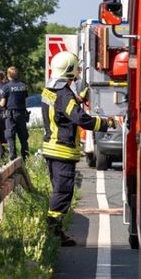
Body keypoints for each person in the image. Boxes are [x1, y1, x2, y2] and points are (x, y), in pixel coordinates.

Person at [43, 51, 116, 246]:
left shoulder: (50, 90)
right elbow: (80, 119)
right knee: (62, 192)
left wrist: (80, 97)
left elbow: (63, 109)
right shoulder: (65, 94)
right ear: (70, 70)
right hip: (62, 150)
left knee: (59, 191)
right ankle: (53, 233)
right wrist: (106, 123)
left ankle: (54, 232)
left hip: (51, 148)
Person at [1, 66, 31, 160]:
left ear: (8, 75)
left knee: (10, 135)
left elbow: (2, 103)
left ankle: (12, 155)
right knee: (23, 136)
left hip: (11, 114)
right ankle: (25, 155)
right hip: (21, 113)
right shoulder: (23, 86)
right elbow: (25, 100)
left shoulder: (6, 87)